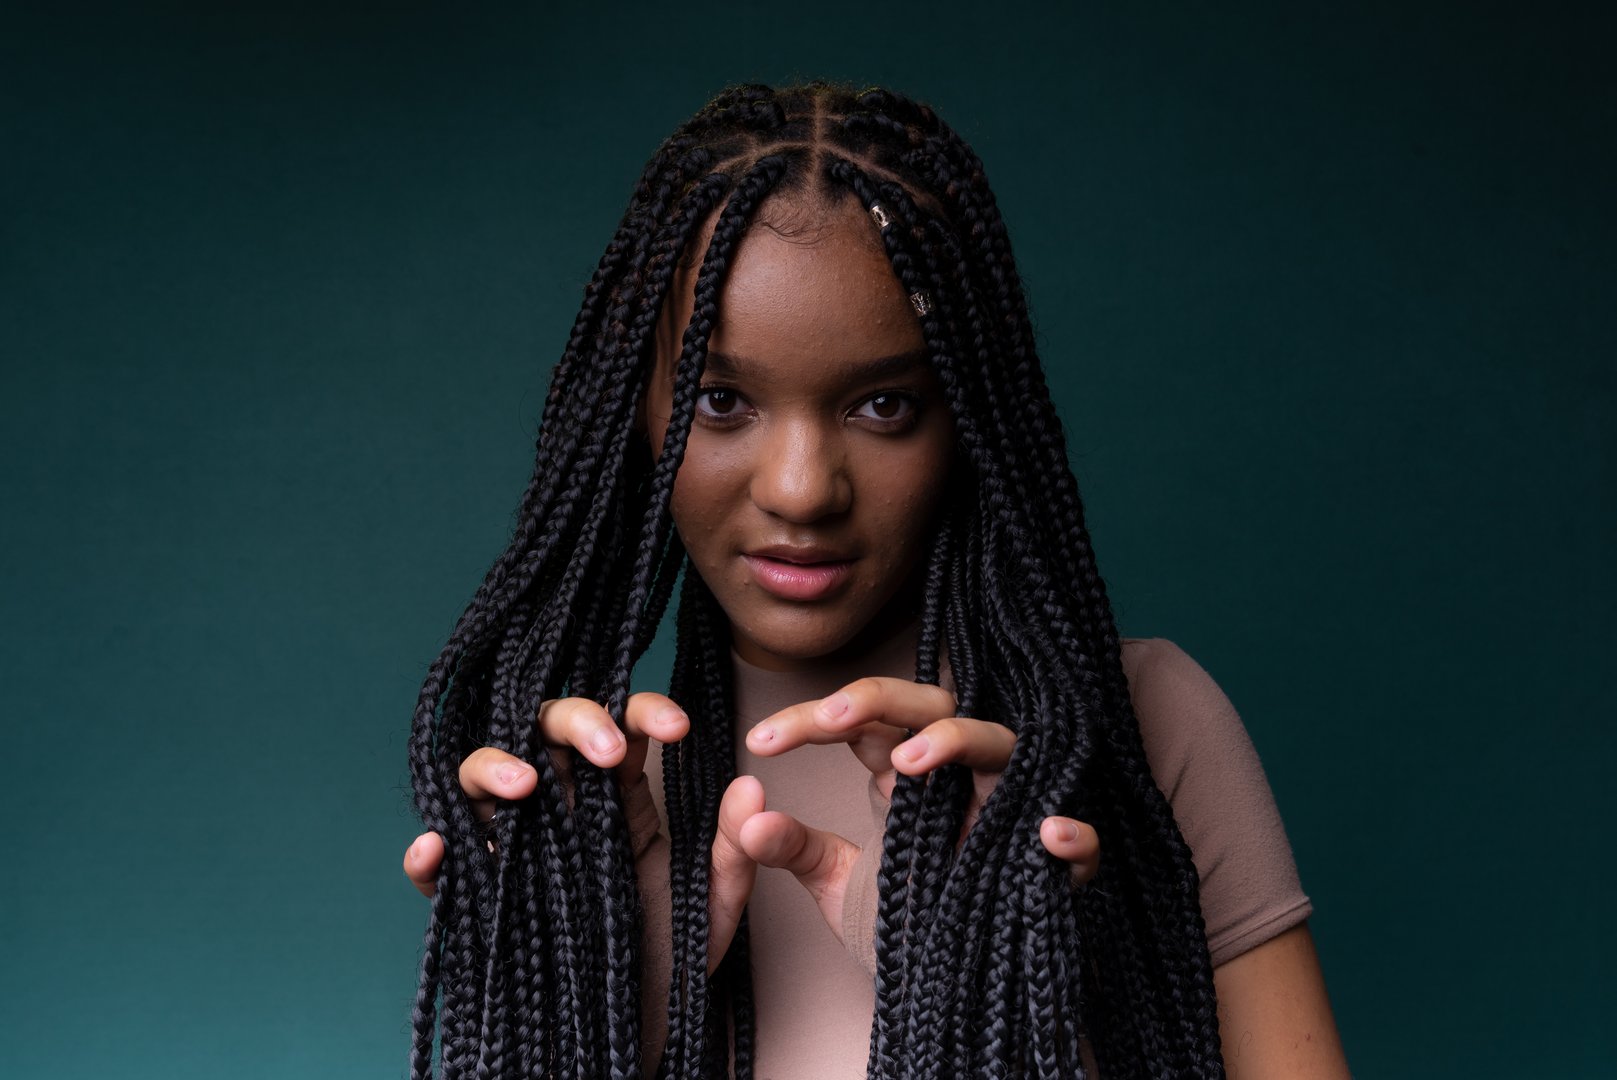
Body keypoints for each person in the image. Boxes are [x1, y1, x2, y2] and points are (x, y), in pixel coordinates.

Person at [398, 83, 1349, 1079]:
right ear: (637, 415)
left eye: (885, 405)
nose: (802, 490)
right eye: (720, 400)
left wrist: (1024, 991)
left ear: (974, 423)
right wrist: (598, 1012)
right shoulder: (576, 797)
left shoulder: (1139, 732)